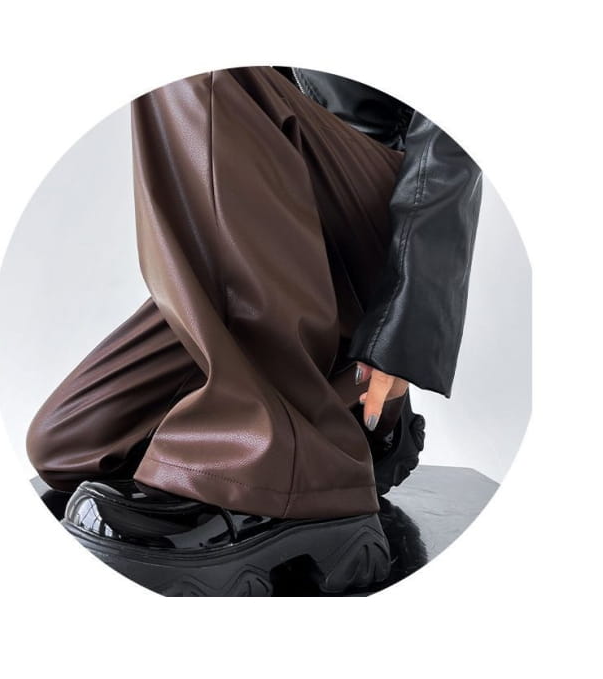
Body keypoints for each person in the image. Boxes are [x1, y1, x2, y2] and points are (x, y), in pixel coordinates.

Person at [26, 66, 482, 596]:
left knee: (201, 74)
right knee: (70, 445)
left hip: (381, 200)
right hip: (289, 213)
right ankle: (345, 413)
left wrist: (404, 319)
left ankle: (279, 465)